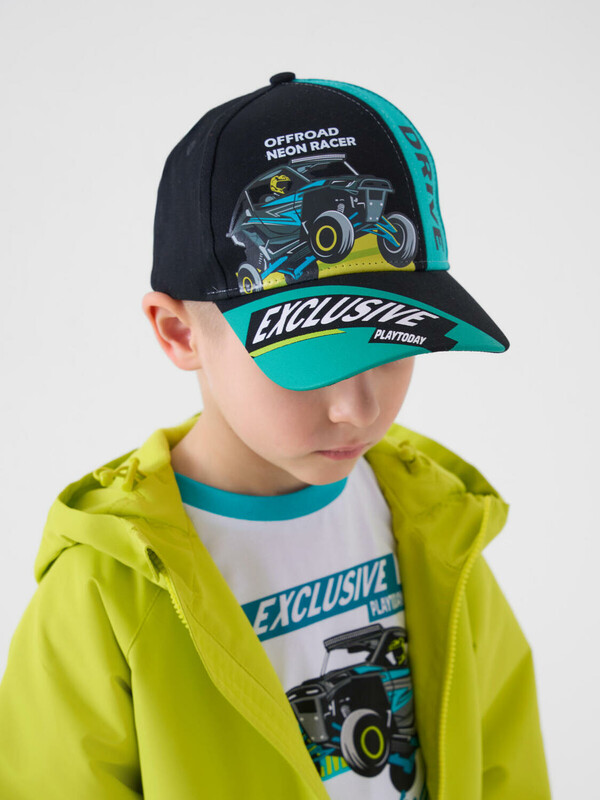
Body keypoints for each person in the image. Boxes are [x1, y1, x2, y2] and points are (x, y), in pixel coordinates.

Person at [0, 72, 552, 799]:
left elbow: (505, 763)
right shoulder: (107, 590)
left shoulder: (437, 529)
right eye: (310, 361)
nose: (356, 407)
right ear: (178, 332)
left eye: (390, 347)